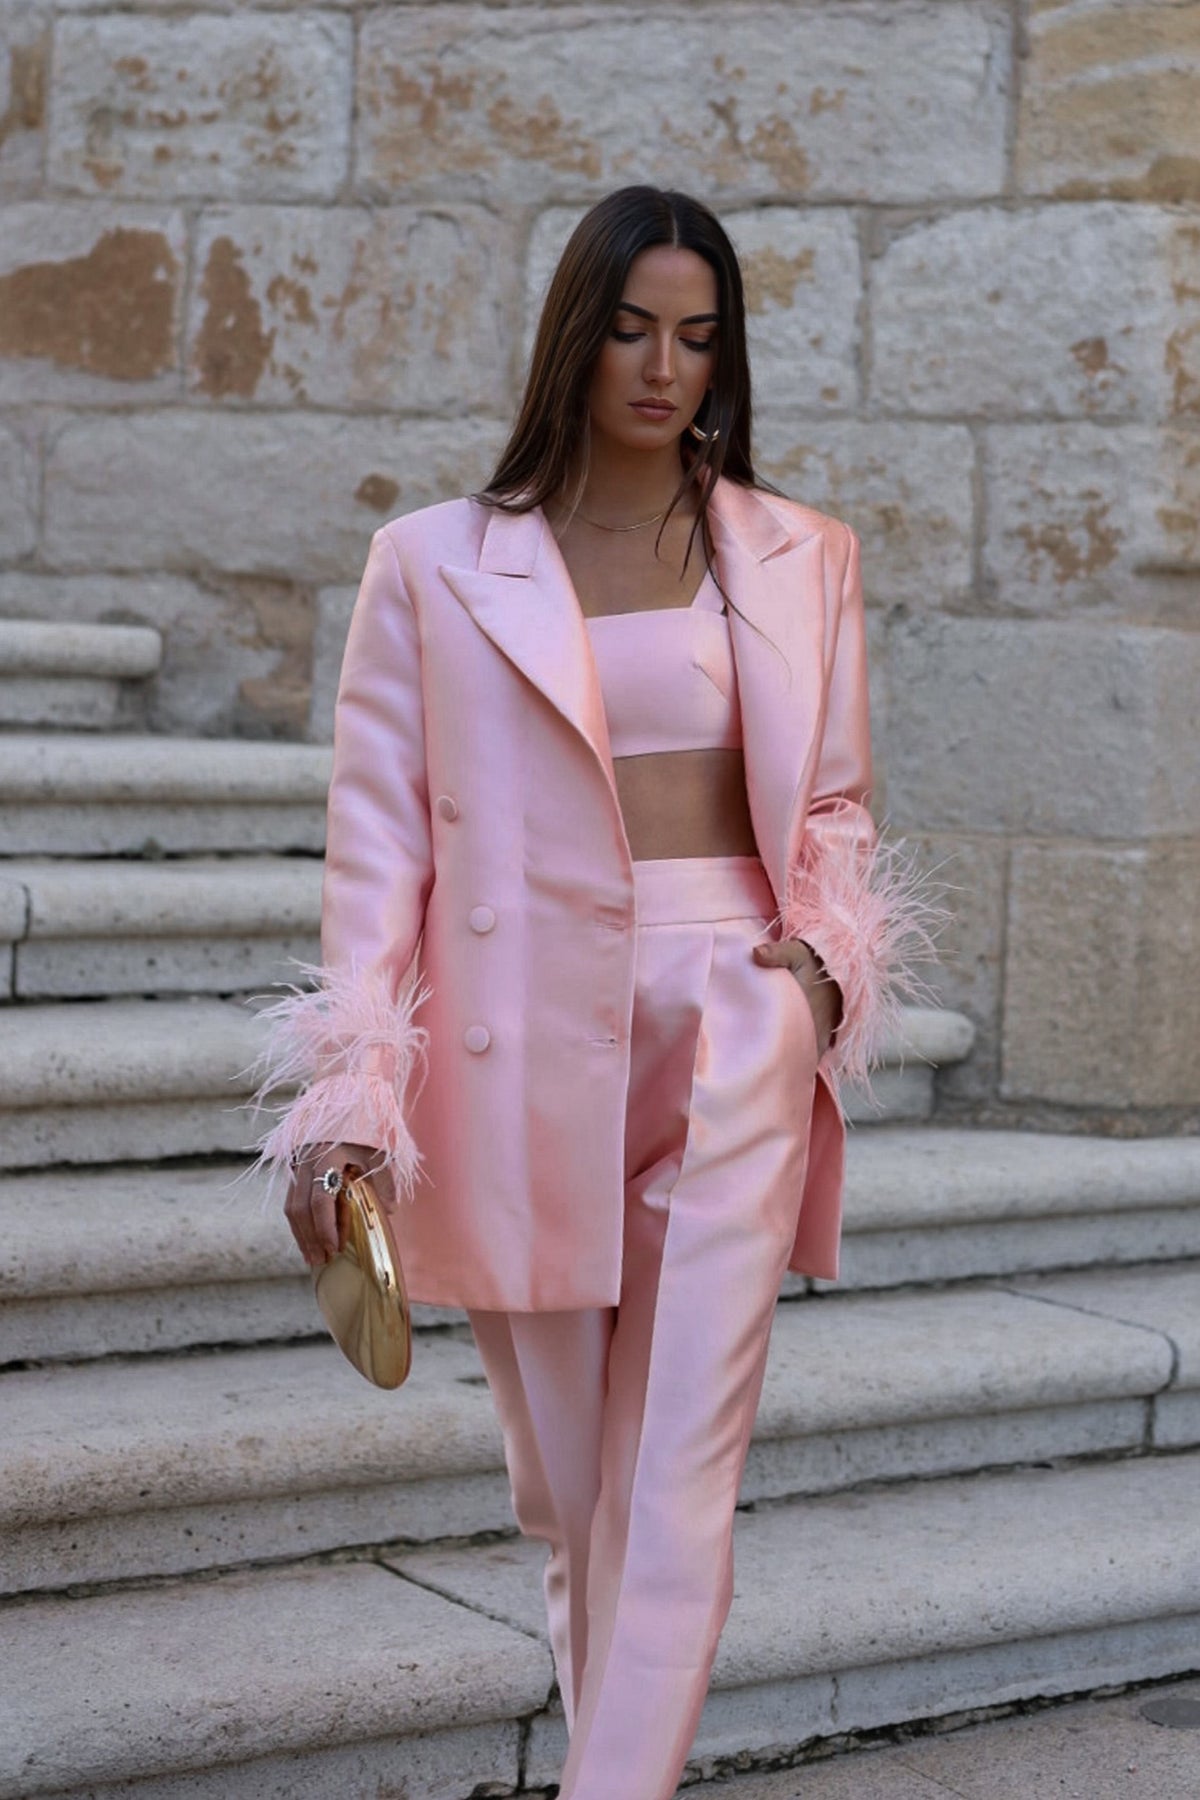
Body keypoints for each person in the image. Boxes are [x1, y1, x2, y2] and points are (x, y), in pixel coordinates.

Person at [250, 184, 940, 1800]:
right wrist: (349, 1097)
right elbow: (377, 855)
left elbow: (833, 808)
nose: (665, 369)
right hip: (519, 1037)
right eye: (633, 329)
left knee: (681, 1467)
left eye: (699, 338)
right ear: (577, 332)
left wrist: (819, 975)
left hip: (738, 1015)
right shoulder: (430, 565)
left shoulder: (796, 554)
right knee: (570, 1493)